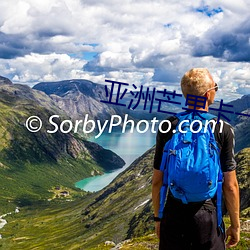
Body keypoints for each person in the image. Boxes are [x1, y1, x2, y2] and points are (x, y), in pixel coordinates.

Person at [152, 68, 240, 250]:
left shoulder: (168, 125)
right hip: (207, 215)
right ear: (208, 95)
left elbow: (157, 181)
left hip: (174, 213)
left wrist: (158, 218)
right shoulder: (222, 129)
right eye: (216, 87)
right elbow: (230, 185)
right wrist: (235, 225)